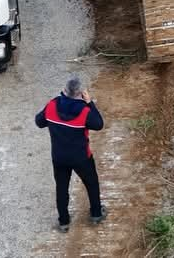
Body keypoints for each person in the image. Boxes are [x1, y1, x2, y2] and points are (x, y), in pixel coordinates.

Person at [36, 76, 105, 232]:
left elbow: (39, 122)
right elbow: (99, 124)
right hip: (81, 158)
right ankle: (96, 214)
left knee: (62, 188)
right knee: (91, 183)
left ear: (64, 90)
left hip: (59, 157)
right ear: (81, 94)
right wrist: (90, 102)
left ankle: (64, 222)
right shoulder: (85, 112)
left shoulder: (52, 105)